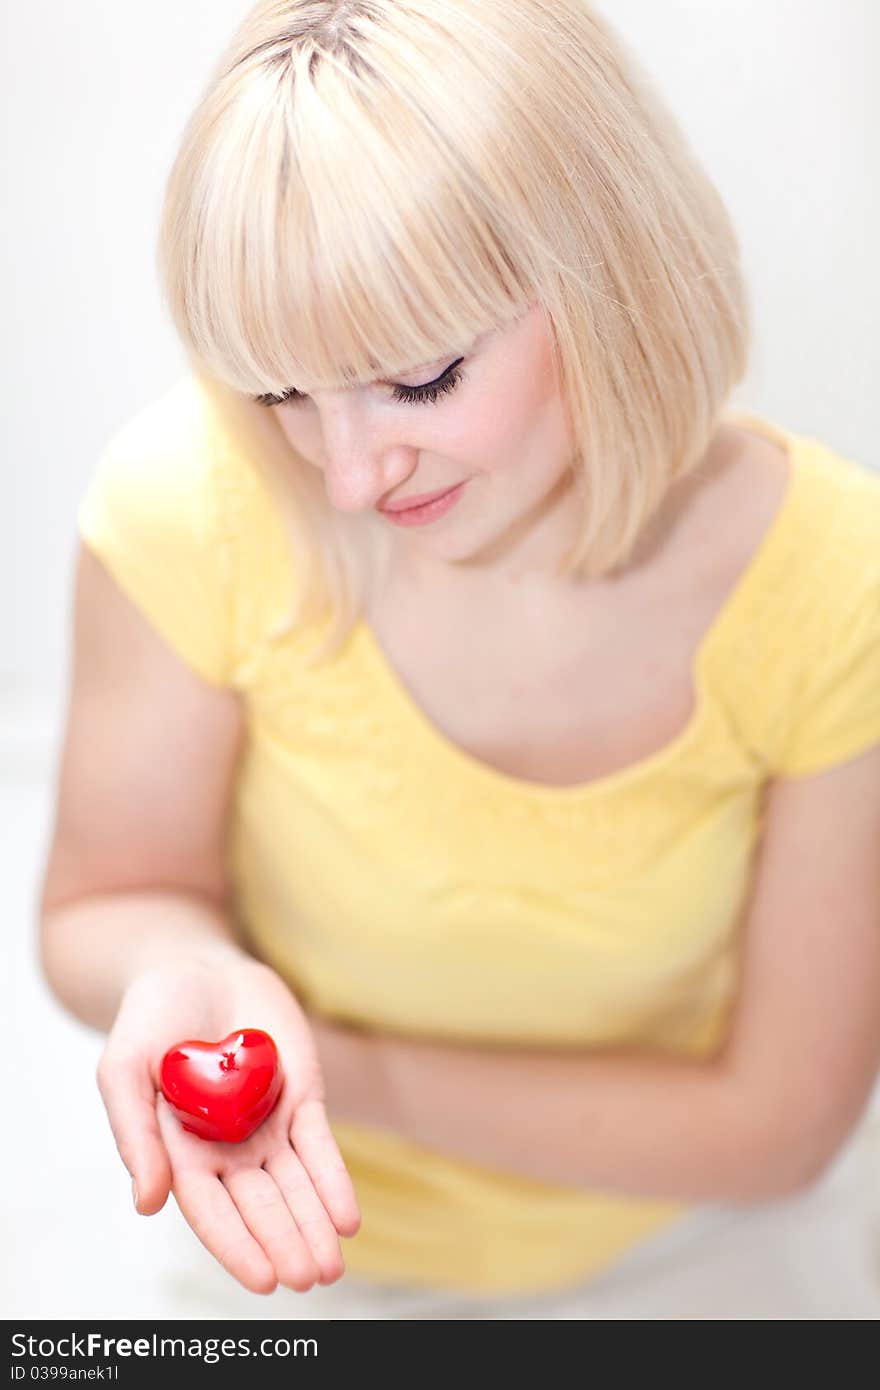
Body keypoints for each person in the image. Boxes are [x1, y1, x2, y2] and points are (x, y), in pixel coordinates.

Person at [38, 0, 880, 1318]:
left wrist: (320, 1069)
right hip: (271, 1242)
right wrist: (181, 972)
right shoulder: (190, 499)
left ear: (613, 272)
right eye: (281, 393)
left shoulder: (837, 583)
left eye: (420, 378)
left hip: (682, 1248)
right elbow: (99, 900)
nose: (351, 473)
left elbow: (781, 1126)